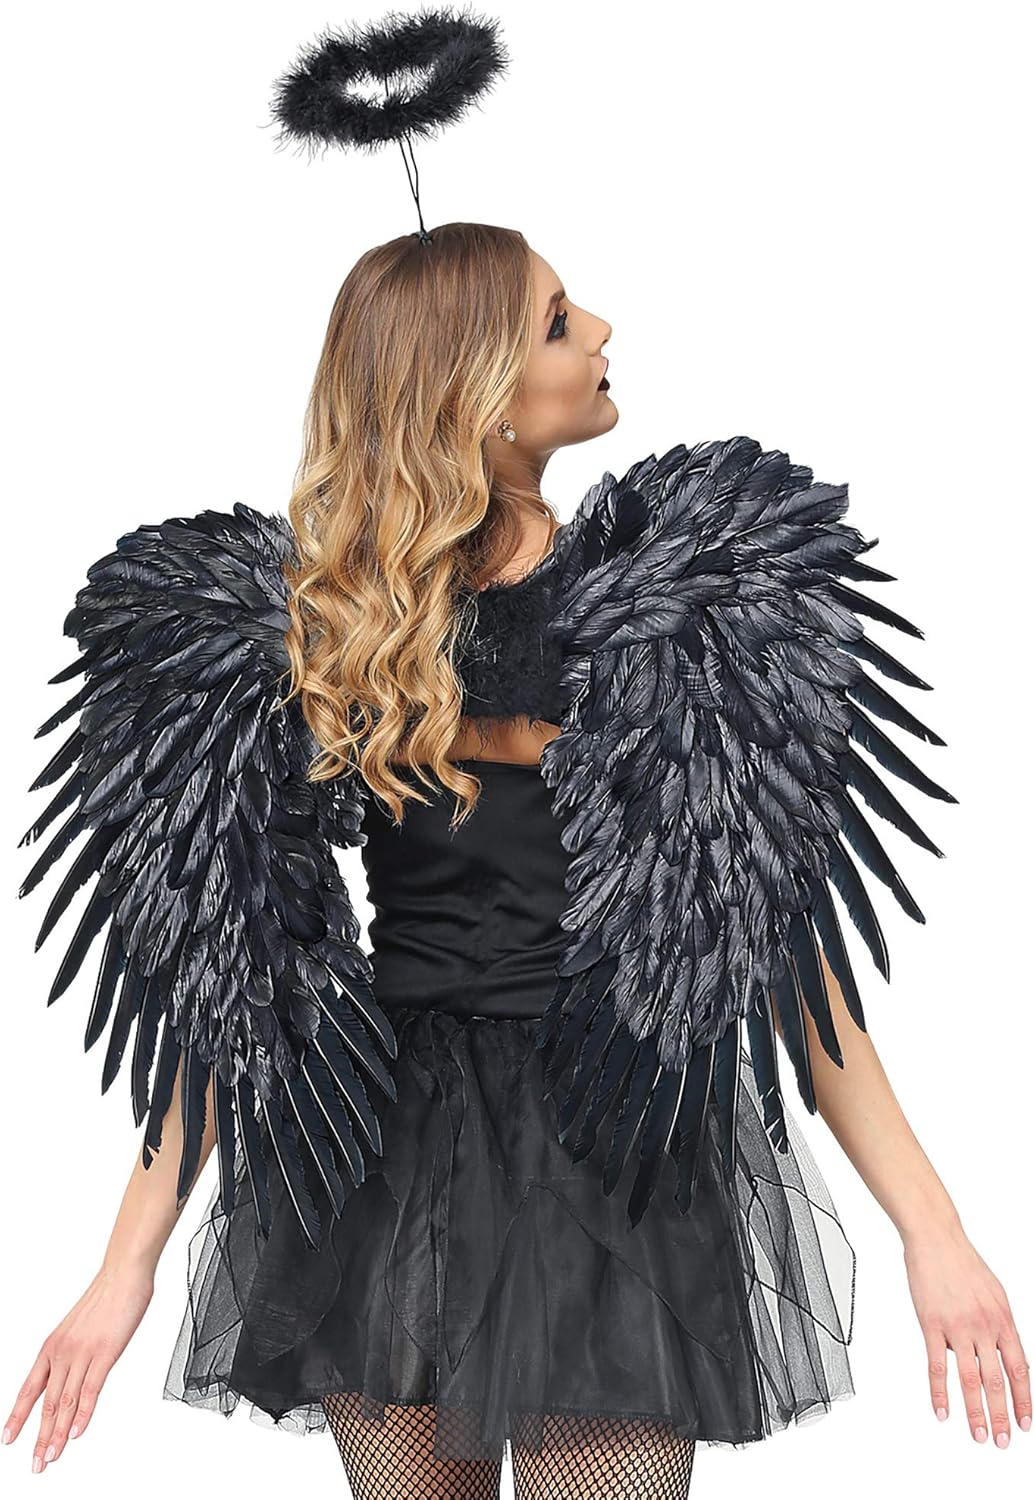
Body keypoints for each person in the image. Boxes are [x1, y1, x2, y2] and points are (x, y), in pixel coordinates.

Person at [3, 226, 1030, 1498]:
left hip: (617, 1146)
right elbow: (244, 982)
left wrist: (937, 1233)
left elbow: (765, 957)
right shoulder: (333, 630)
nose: (599, 329)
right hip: (389, 1168)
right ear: (474, 392)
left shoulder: (683, 618)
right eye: (556, 320)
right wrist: (123, 1269)